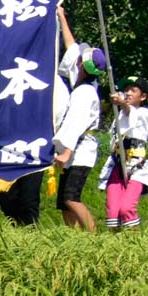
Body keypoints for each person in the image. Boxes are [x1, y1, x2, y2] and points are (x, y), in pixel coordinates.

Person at [49, 41, 107, 233]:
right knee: (64, 203)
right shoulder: (84, 87)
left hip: (80, 152)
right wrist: (62, 17)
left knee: (71, 198)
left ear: (82, 64)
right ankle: (75, 239)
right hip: (75, 152)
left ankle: (94, 235)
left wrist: (66, 152)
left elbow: (76, 124)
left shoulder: (84, 92)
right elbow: (71, 43)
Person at [103, 78, 148, 232]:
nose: (128, 93)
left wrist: (122, 103)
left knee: (126, 208)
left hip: (137, 166)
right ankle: (117, 243)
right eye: (126, 90)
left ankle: (136, 245)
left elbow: (130, 112)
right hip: (118, 164)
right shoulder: (120, 114)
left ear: (143, 96)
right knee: (113, 210)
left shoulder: (143, 113)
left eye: (133, 90)